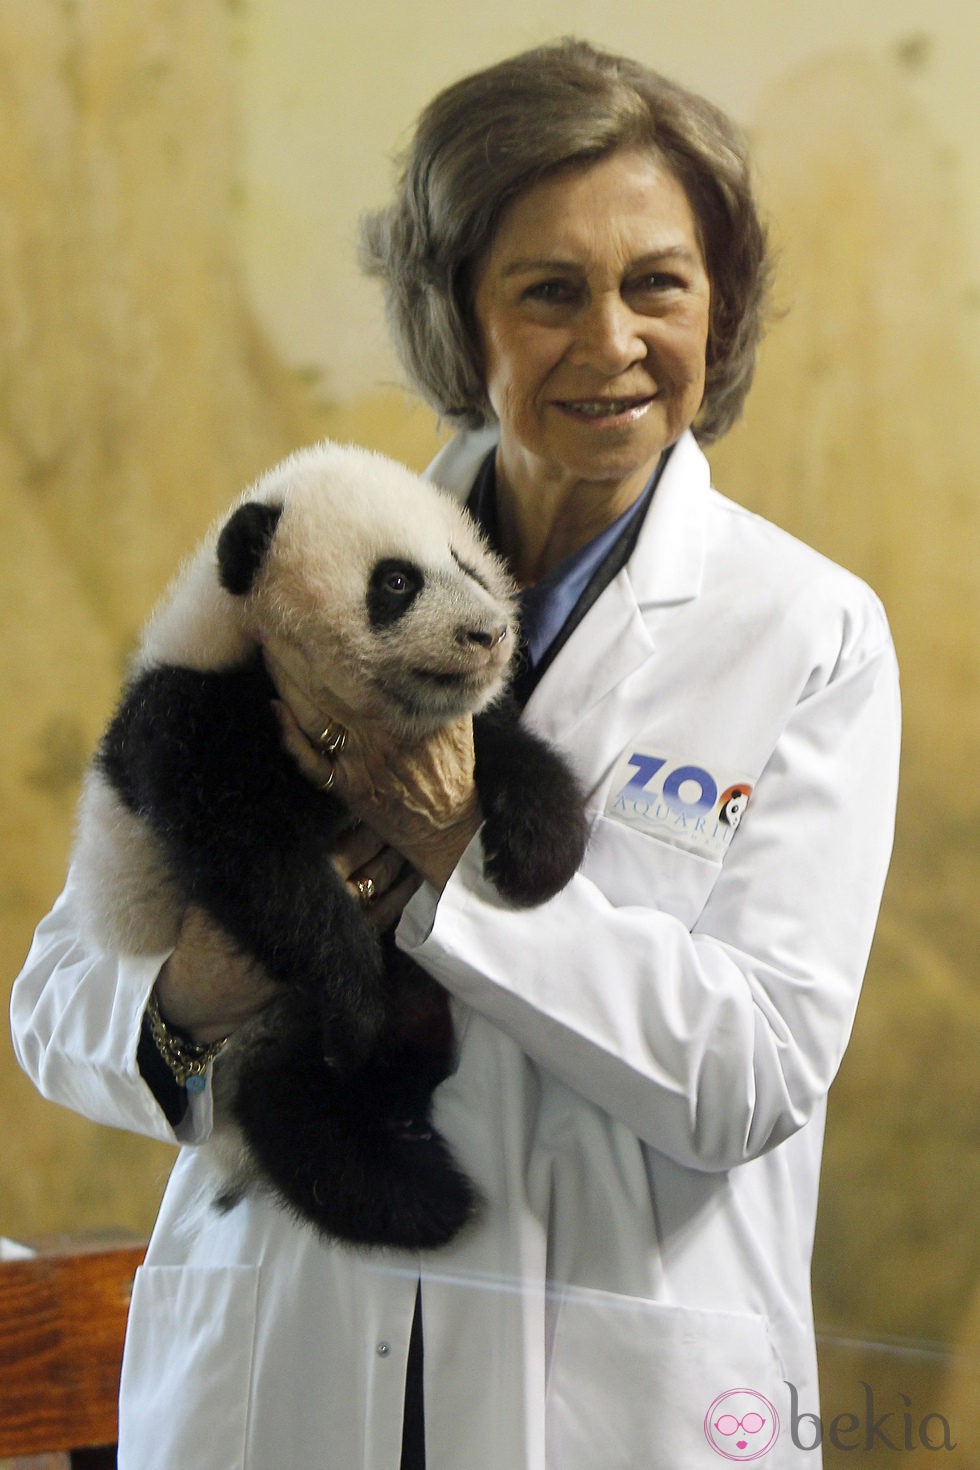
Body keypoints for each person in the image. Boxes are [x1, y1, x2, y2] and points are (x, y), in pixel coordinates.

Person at [11, 38, 900, 1470]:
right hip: (285, 1373)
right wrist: (198, 994)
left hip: (610, 1407)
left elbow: (751, 1070)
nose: (610, 341)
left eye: (656, 282)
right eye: (549, 290)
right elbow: (57, 1000)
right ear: (456, 317)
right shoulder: (297, 559)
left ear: (717, 303)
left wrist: (452, 864)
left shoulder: (805, 632)